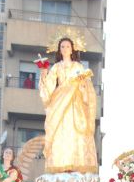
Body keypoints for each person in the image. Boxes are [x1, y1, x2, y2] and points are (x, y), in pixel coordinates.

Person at [39, 37, 98, 174]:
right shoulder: (56, 67)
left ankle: (75, 164)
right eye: (62, 47)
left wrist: (83, 84)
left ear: (72, 49)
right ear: (60, 50)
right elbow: (49, 86)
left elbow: (86, 85)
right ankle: (61, 164)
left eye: (67, 46)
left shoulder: (78, 66)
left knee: (77, 132)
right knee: (59, 131)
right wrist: (44, 74)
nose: (65, 49)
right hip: (59, 102)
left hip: (76, 103)